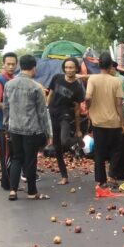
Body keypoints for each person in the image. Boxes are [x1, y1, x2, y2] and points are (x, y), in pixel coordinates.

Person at [3, 55, 53, 201]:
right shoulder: (36, 87)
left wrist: (7, 127)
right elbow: (42, 113)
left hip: (14, 128)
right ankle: (32, 191)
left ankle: (13, 191)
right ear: (34, 67)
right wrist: (48, 133)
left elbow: (6, 108)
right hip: (31, 130)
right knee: (30, 160)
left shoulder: (9, 84)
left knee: (16, 158)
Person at [85, 52, 124, 187]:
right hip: (114, 122)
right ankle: (112, 176)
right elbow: (119, 104)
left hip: (98, 122)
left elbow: (88, 96)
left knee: (99, 152)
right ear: (110, 66)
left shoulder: (92, 79)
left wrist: (89, 109)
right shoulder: (117, 81)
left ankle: (101, 180)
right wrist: (122, 122)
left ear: (99, 64)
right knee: (115, 151)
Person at [46, 57, 85, 185]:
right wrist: (46, 109)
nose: (68, 70)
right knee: (57, 147)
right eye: (66, 67)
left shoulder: (78, 87)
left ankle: (76, 141)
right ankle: (64, 176)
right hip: (53, 113)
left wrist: (78, 130)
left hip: (66, 115)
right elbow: (50, 95)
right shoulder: (57, 78)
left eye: (71, 67)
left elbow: (77, 109)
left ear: (76, 69)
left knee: (64, 141)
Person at [0, 52, 17, 190]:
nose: (11, 66)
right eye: (8, 64)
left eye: (13, 64)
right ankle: (7, 183)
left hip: (14, 123)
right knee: (6, 154)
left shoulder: (14, 79)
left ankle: (11, 181)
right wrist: (14, 108)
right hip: (3, 124)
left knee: (12, 154)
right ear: (3, 65)